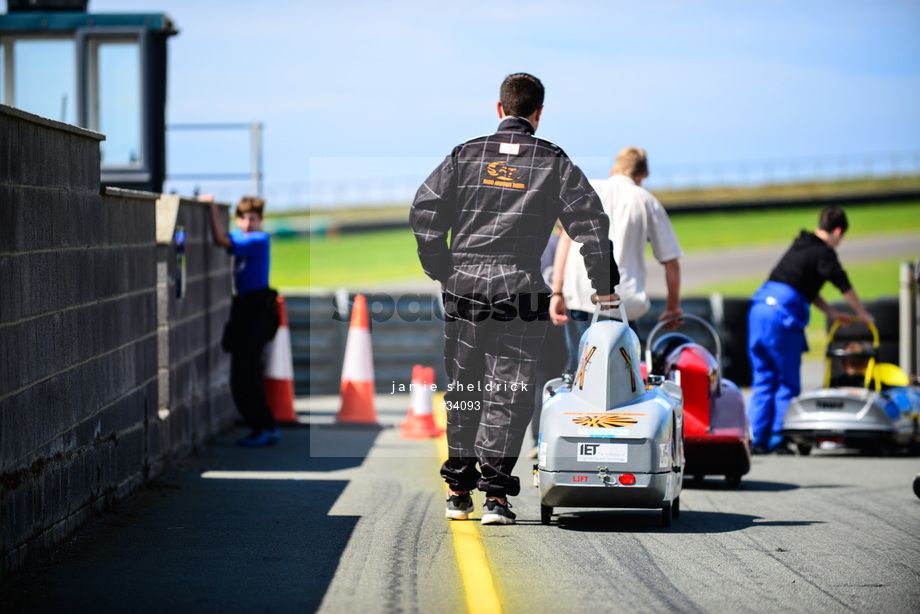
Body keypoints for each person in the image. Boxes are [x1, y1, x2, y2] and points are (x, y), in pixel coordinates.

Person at [410, 73, 619, 525]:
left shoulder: (464, 154)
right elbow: (591, 224)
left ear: (499, 109)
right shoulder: (553, 161)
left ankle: (458, 491)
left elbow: (424, 210)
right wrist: (604, 287)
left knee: (465, 387)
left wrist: (443, 269)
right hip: (520, 287)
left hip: (463, 285)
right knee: (509, 391)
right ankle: (497, 499)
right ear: (538, 114)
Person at [747, 205, 874, 453]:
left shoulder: (801, 245)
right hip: (781, 316)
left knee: (763, 379)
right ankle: (777, 439)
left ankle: (754, 440)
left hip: (758, 310)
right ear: (838, 231)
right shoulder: (824, 253)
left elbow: (806, 289)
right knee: (786, 383)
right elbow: (844, 285)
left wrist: (831, 313)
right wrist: (862, 314)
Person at [549, 146, 683, 372]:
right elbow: (671, 262)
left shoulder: (588, 189)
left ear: (613, 171)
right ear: (642, 176)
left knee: (580, 372)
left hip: (581, 299)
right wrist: (673, 307)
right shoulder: (646, 200)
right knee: (625, 375)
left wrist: (557, 292)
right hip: (623, 302)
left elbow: (565, 239)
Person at [204, 194, 281, 447]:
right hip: (244, 309)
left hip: (257, 309)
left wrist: (211, 207)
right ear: (237, 219)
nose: (248, 223)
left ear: (260, 221)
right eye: (243, 219)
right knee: (239, 376)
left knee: (246, 373)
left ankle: (265, 427)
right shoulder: (241, 236)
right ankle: (261, 426)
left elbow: (219, 239)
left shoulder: (259, 239)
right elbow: (226, 238)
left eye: (253, 219)